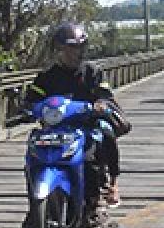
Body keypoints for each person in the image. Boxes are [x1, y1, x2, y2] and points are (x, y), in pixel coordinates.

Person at [22, 22, 123, 212]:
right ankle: (35, 209)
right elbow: (32, 99)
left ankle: (110, 187)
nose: (75, 52)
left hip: (85, 126)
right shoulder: (46, 76)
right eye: (70, 47)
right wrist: (26, 109)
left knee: (104, 139)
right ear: (59, 49)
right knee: (32, 160)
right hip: (54, 130)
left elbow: (105, 93)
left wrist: (101, 103)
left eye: (79, 47)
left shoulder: (92, 72)